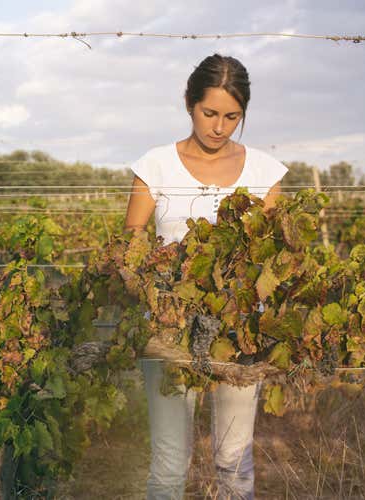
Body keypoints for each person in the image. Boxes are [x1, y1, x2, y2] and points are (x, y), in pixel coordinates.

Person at [124, 54, 287, 499]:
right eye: (209, 113)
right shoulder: (155, 166)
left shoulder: (265, 172)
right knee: (169, 465)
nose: (219, 127)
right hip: (169, 330)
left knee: (235, 461)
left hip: (239, 331)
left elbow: (271, 256)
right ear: (188, 103)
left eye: (232, 117)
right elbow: (132, 245)